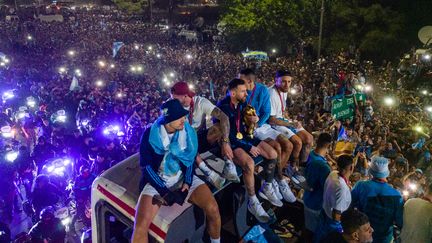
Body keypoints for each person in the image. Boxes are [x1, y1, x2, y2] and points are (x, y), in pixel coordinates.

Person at [132, 99, 221, 243]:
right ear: (168, 119)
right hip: (158, 180)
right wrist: (164, 191)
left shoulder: (188, 130)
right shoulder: (150, 134)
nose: (184, 119)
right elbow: (146, 167)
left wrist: (187, 181)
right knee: (140, 228)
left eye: (184, 116)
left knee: (213, 208)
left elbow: (190, 159)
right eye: (179, 117)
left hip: (181, 177)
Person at [217, 78, 280, 222]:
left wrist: (254, 119)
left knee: (272, 154)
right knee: (249, 164)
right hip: (233, 142)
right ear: (233, 93)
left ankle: (267, 186)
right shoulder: (222, 108)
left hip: (245, 138)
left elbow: (246, 120)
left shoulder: (242, 103)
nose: (247, 93)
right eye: (243, 91)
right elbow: (227, 135)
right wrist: (248, 146)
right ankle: (253, 200)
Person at [240, 68, 296, 203]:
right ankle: (276, 180)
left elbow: (266, 112)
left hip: (262, 125)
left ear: (249, 81)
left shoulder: (262, 90)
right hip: (249, 130)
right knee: (276, 147)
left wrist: (258, 122)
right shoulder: (240, 91)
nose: (238, 82)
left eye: (241, 79)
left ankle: (276, 179)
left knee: (288, 145)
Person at [171, 81, 238, 189]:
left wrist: (225, 142)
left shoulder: (200, 102)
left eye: (175, 98)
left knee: (218, 127)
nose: (173, 100)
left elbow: (224, 117)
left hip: (199, 136)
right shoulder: (172, 106)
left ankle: (229, 164)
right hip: (184, 140)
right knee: (185, 142)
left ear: (185, 96)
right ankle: (209, 174)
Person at [351, 156, 403, 243]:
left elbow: (350, 205)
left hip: (363, 236)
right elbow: (399, 221)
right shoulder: (397, 195)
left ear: (371, 171)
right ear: (386, 173)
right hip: (384, 238)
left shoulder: (361, 186)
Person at [268, 70, 314, 168]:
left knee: (309, 138)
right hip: (274, 124)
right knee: (297, 142)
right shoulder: (271, 94)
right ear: (276, 80)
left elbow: (282, 111)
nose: (287, 85)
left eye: (289, 82)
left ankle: (302, 167)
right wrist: (291, 124)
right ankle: (291, 167)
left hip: (283, 120)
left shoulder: (284, 90)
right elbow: (271, 120)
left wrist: (292, 120)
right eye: (284, 81)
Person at [314, 154, 354, 242]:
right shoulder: (341, 188)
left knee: (318, 237)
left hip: (324, 212)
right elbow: (336, 215)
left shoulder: (333, 173)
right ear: (351, 168)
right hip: (333, 223)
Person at [303, 132, 333, 241]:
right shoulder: (323, 167)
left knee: (307, 227)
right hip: (316, 205)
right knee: (313, 233)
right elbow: (328, 189)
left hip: (307, 199)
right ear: (329, 146)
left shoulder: (310, 154)